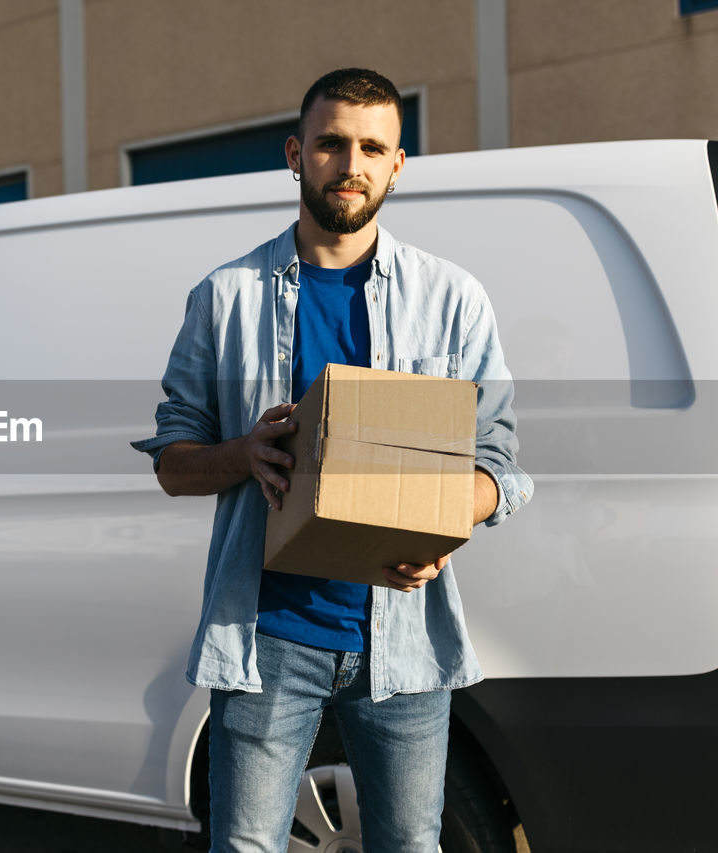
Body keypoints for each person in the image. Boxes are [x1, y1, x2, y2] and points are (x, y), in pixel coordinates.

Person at [131, 68, 532, 853]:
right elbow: (172, 461)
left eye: (371, 147)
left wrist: (446, 523)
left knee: (411, 846)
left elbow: (500, 463)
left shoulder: (452, 298)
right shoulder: (226, 297)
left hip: (405, 637)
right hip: (267, 636)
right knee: (243, 845)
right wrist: (242, 454)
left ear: (396, 165)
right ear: (296, 153)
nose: (351, 162)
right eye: (331, 143)